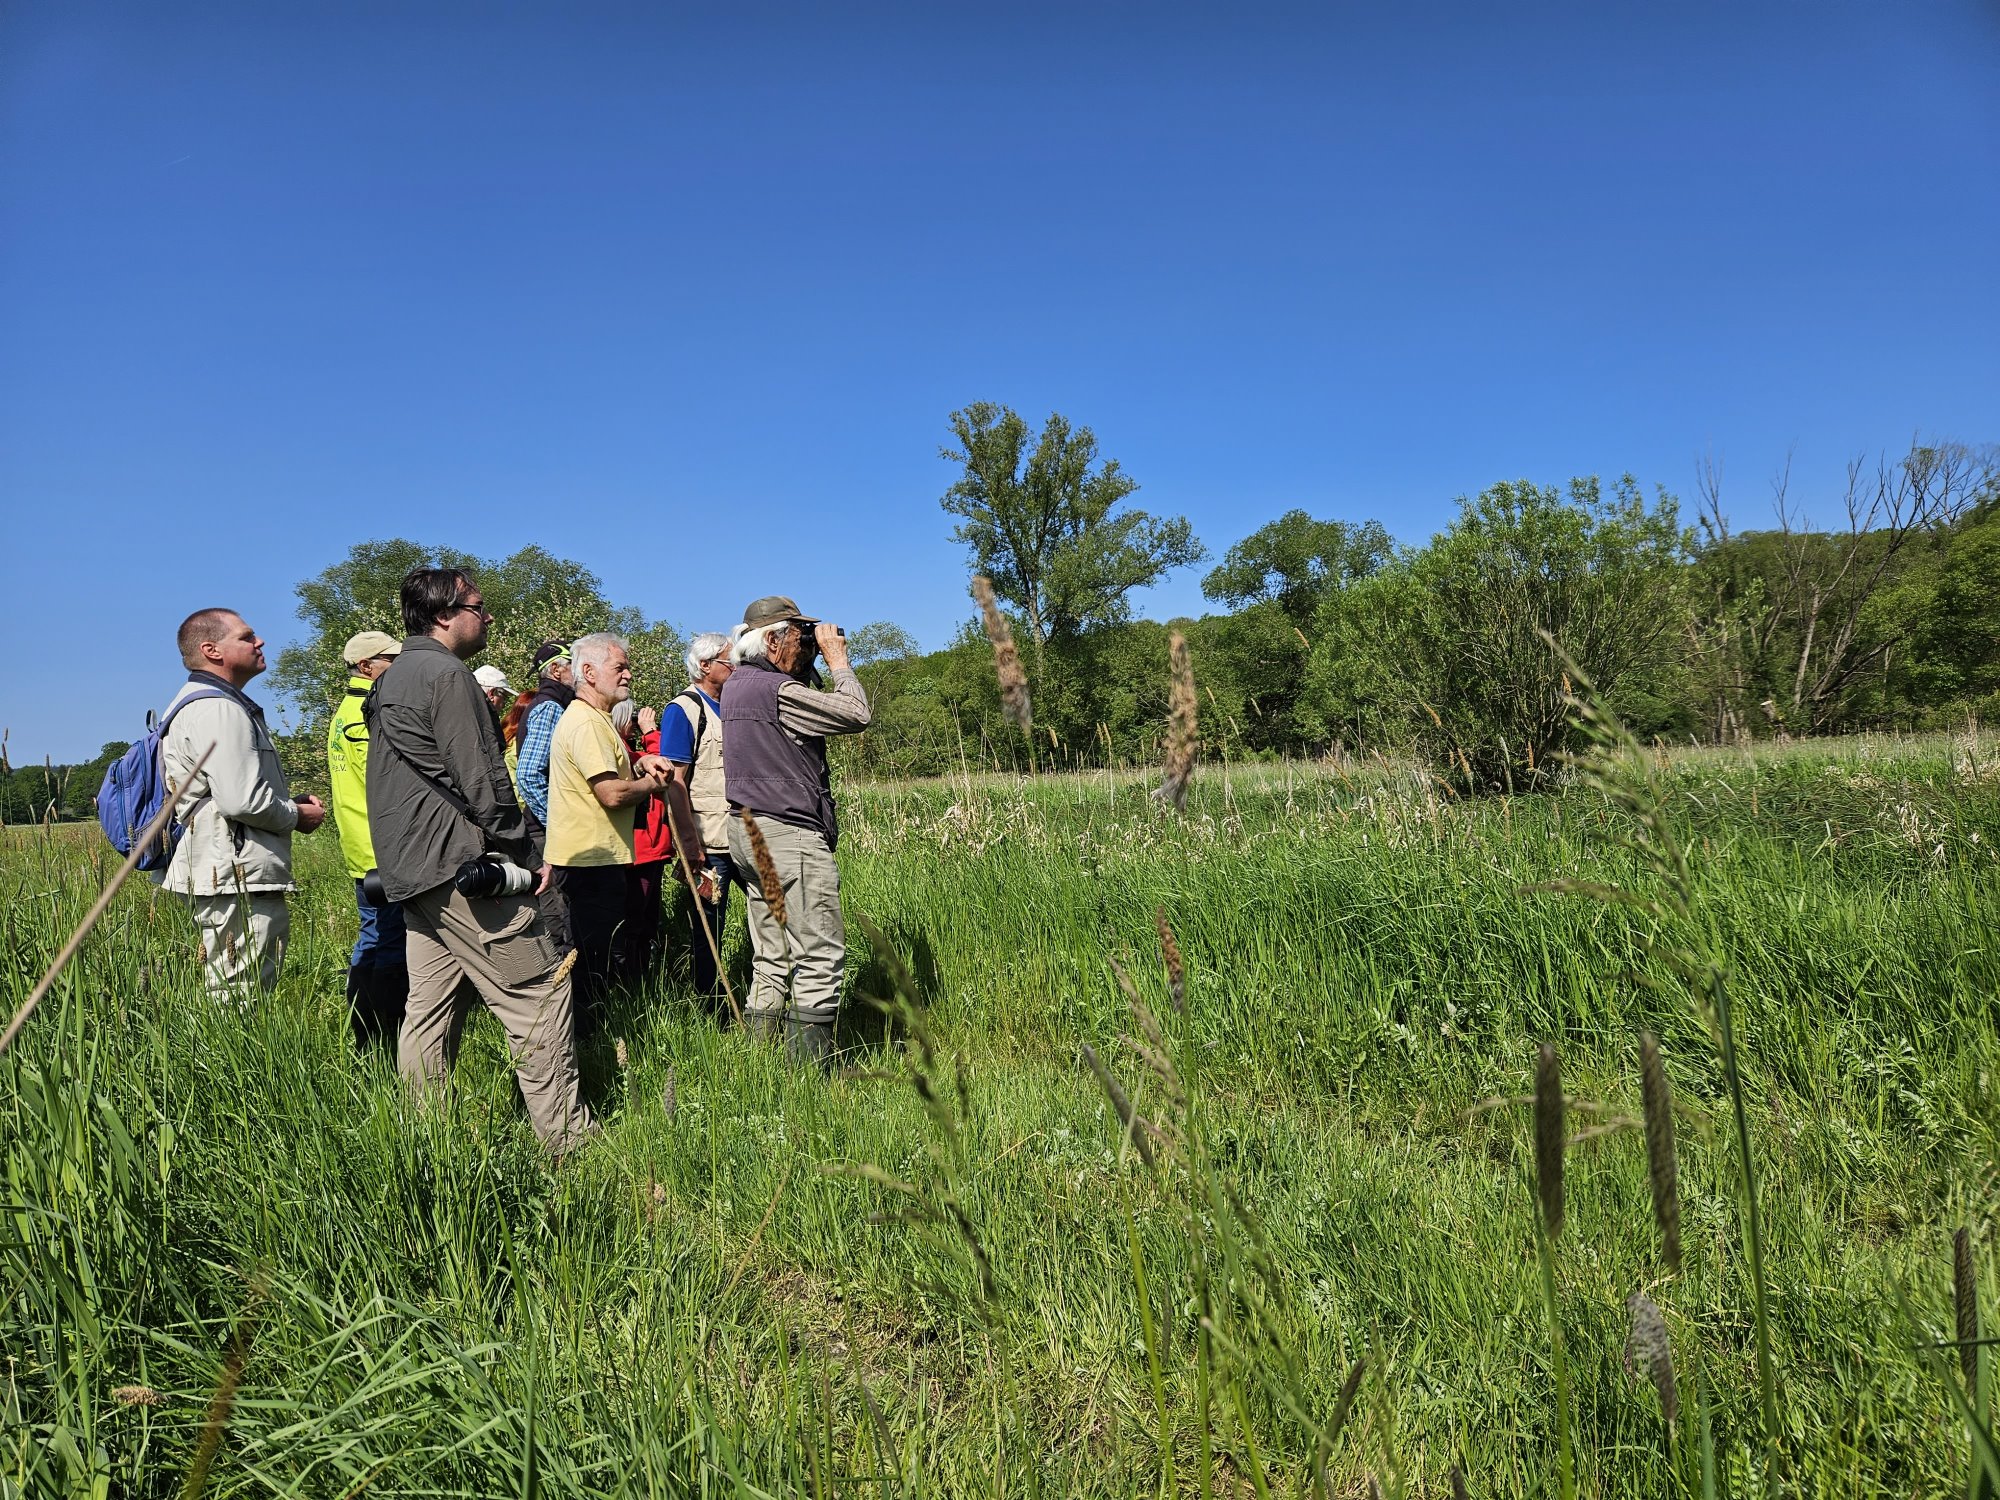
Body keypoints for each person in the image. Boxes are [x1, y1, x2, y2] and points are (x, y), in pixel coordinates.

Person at [365, 568, 593, 1152]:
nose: (488, 617)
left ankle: (426, 1140)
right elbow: (485, 779)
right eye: (479, 606)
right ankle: (570, 1146)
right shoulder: (447, 674)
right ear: (444, 614)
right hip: (460, 863)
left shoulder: (391, 679)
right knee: (538, 990)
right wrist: (524, 850)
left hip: (412, 871)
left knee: (430, 1009)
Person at [721, 596, 870, 1060]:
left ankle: (760, 1059)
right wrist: (838, 661)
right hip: (787, 834)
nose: (805, 645)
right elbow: (855, 714)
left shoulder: (736, 685)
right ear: (770, 639)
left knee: (772, 955)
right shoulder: (776, 692)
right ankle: (808, 1073)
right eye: (797, 637)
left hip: (748, 831)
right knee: (818, 956)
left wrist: (804, 662)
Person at [160, 609, 327, 1000]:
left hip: (225, 864)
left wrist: (284, 803)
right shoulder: (219, 708)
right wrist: (296, 815)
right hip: (236, 869)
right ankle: (234, 1062)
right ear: (211, 650)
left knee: (234, 981)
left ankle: (227, 1058)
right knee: (242, 989)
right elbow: (241, 801)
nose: (260, 642)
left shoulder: (203, 703)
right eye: (247, 636)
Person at [545, 633, 673, 1035]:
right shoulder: (586, 722)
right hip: (590, 862)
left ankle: (588, 1040)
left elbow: (609, 778)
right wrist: (653, 786)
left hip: (596, 858)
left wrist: (640, 764)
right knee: (589, 963)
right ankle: (583, 1043)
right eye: (620, 667)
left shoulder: (595, 720)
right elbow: (612, 794)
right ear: (589, 672)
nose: (629, 675)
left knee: (594, 956)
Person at [326, 629, 407, 1048]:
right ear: (366, 666)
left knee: (373, 938)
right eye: (390, 660)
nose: (399, 666)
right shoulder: (366, 711)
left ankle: (367, 1034)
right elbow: (386, 780)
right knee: (388, 945)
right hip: (381, 849)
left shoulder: (344, 711)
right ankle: (384, 1037)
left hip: (362, 847)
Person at [661, 631, 738, 1007]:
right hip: (710, 843)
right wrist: (689, 843)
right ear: (704, 666)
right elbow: (675, 781)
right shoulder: (683, 709)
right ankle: (711, 1006)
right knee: (710, 930)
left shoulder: (735, 704)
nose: (735, 666)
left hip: (745, 832)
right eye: (728, 660)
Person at [511, 641, 575, 952]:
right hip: (545, 830)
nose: (580, 670)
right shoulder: (550, 706)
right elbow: (529, 774)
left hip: (545, 828)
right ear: (555, 670)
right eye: (572, 662)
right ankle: (565, 993)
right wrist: (559, 825)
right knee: (559, 914)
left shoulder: (556, 704)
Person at [617, 699, 673, 975]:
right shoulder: (620, 752)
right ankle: (632, 981)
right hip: (640, 854)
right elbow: (665, 767)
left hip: (650, 851)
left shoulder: (628, 750)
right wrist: (650, 731)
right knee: (635, 923)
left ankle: (639, 978)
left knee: (645, 921)